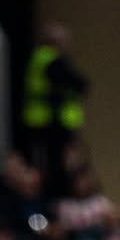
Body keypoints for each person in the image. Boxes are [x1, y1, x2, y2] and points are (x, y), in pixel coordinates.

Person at [22, 23, 89, 188]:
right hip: (52, 121)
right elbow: (79, 83)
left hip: (41, 120)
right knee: (58, 165)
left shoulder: (37, 58)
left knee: (47, 163)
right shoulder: (52, 60)